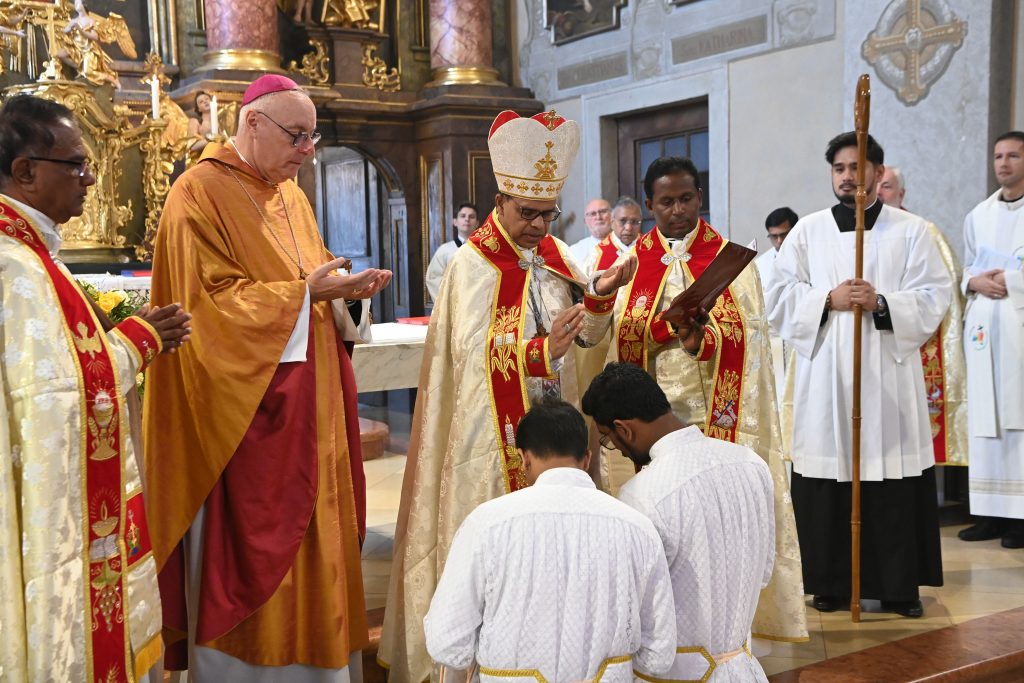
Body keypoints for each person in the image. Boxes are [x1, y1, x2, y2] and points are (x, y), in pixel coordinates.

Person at [144, 74, 392, 679]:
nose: (308, 151)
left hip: (316, 398)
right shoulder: (197, 193)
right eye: (297, 136)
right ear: (252, 122)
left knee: (324, 529)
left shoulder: (292, 196)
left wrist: (344, 295)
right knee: (259, 538)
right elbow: (203, 307)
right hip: (247, 412)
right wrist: (304, 296)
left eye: (313, 137)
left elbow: (311, 279)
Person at [379, 109, 638, 683]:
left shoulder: (557, 258)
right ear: (501, 201)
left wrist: (597, 299)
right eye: (529, 214)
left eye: (550, 214)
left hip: (562, 431)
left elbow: (591, 340)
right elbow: (469, 360)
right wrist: (541, 352)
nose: (540, 227)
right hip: (494, 444)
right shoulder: (470, 265)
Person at [0, 94, 191, 681]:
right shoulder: (15, 268)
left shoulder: (31, 256)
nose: (90, 178)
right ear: (26, 172)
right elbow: (52, 401)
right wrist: (138, 342)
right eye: (76, 165)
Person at [605, 155, 806, 642]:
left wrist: (702, 340)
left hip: (716, 414)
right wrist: (662, 326)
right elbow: (616, 333)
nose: (677, 209)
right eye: (666, 201)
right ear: (650, 205)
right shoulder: (631, 263)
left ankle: (726, 618)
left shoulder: (730, 259)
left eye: (687, 198)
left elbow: (753, 335)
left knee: (714, 521)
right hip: (652, 423)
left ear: (700, 199)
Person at [766, 132, 951, 617]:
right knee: (829, 476)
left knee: (890, 478)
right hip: (827, 376)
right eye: (840, 168)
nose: (849, 176)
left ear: (878, 173)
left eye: (858, 167)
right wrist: (828, 299)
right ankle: (829, 582)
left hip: (887, 374)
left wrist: (883, 303)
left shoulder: (912, 231)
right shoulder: (807, 231)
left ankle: (898, 587)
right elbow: (777, 296)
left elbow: (935, 295)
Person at [423, 399, 677, 683]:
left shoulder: (486, 524)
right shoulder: (636, 527)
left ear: (524, 458)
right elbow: (659, 653)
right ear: (587, 458)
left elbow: (448, 641)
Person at [583, 363, 776, 682]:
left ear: (625, 429)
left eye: (609, 439)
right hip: (744, 668)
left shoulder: (643, 493)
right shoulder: (751, 463)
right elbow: (764, 573)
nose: (615, 448)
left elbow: (632, 612)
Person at [876, 165, 968, 467]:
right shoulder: (854, 233)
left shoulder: (922, 230)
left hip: (911, 340)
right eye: (877, 185)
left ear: (901, 193)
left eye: (887, 186)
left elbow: (942, 293)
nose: (879, 192)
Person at [958, 130, 1024, 548]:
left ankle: (1019, 518)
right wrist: (975, 281)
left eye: (1013, 156)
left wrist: (1012, 280)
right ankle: (988, 513)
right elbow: (965, 269)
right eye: (999, 156)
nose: (1003, 163)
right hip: (984, 327)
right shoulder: (977, 215)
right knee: (985, 419)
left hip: (1018, 325)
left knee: (1019, 420)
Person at [425, 201, 478, 302]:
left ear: (477, 223)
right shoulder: (444, 251)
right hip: (452, 303)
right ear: (455, 222)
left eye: (471, 217)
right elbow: (433, 278)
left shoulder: (484, 251)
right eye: (463, 216)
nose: (467, 219)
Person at [581, 195, 643, 277]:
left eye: (635, 221)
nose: (628, 227)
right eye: (622, 221)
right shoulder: (596, 255)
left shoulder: (651, 248)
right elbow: (586, 287)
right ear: (612, 221)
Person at [754, 206, 798, 294]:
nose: (779, 241)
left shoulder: (811, 257)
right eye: (774, 236)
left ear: (796, 230)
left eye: (784, 235)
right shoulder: (759, 265)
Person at [568, 196, 612, 264]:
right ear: (585, 221)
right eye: (593, 214)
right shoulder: (574, 251)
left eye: (603, 212)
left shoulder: (627, 245)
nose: (598, 217)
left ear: (613, 216)